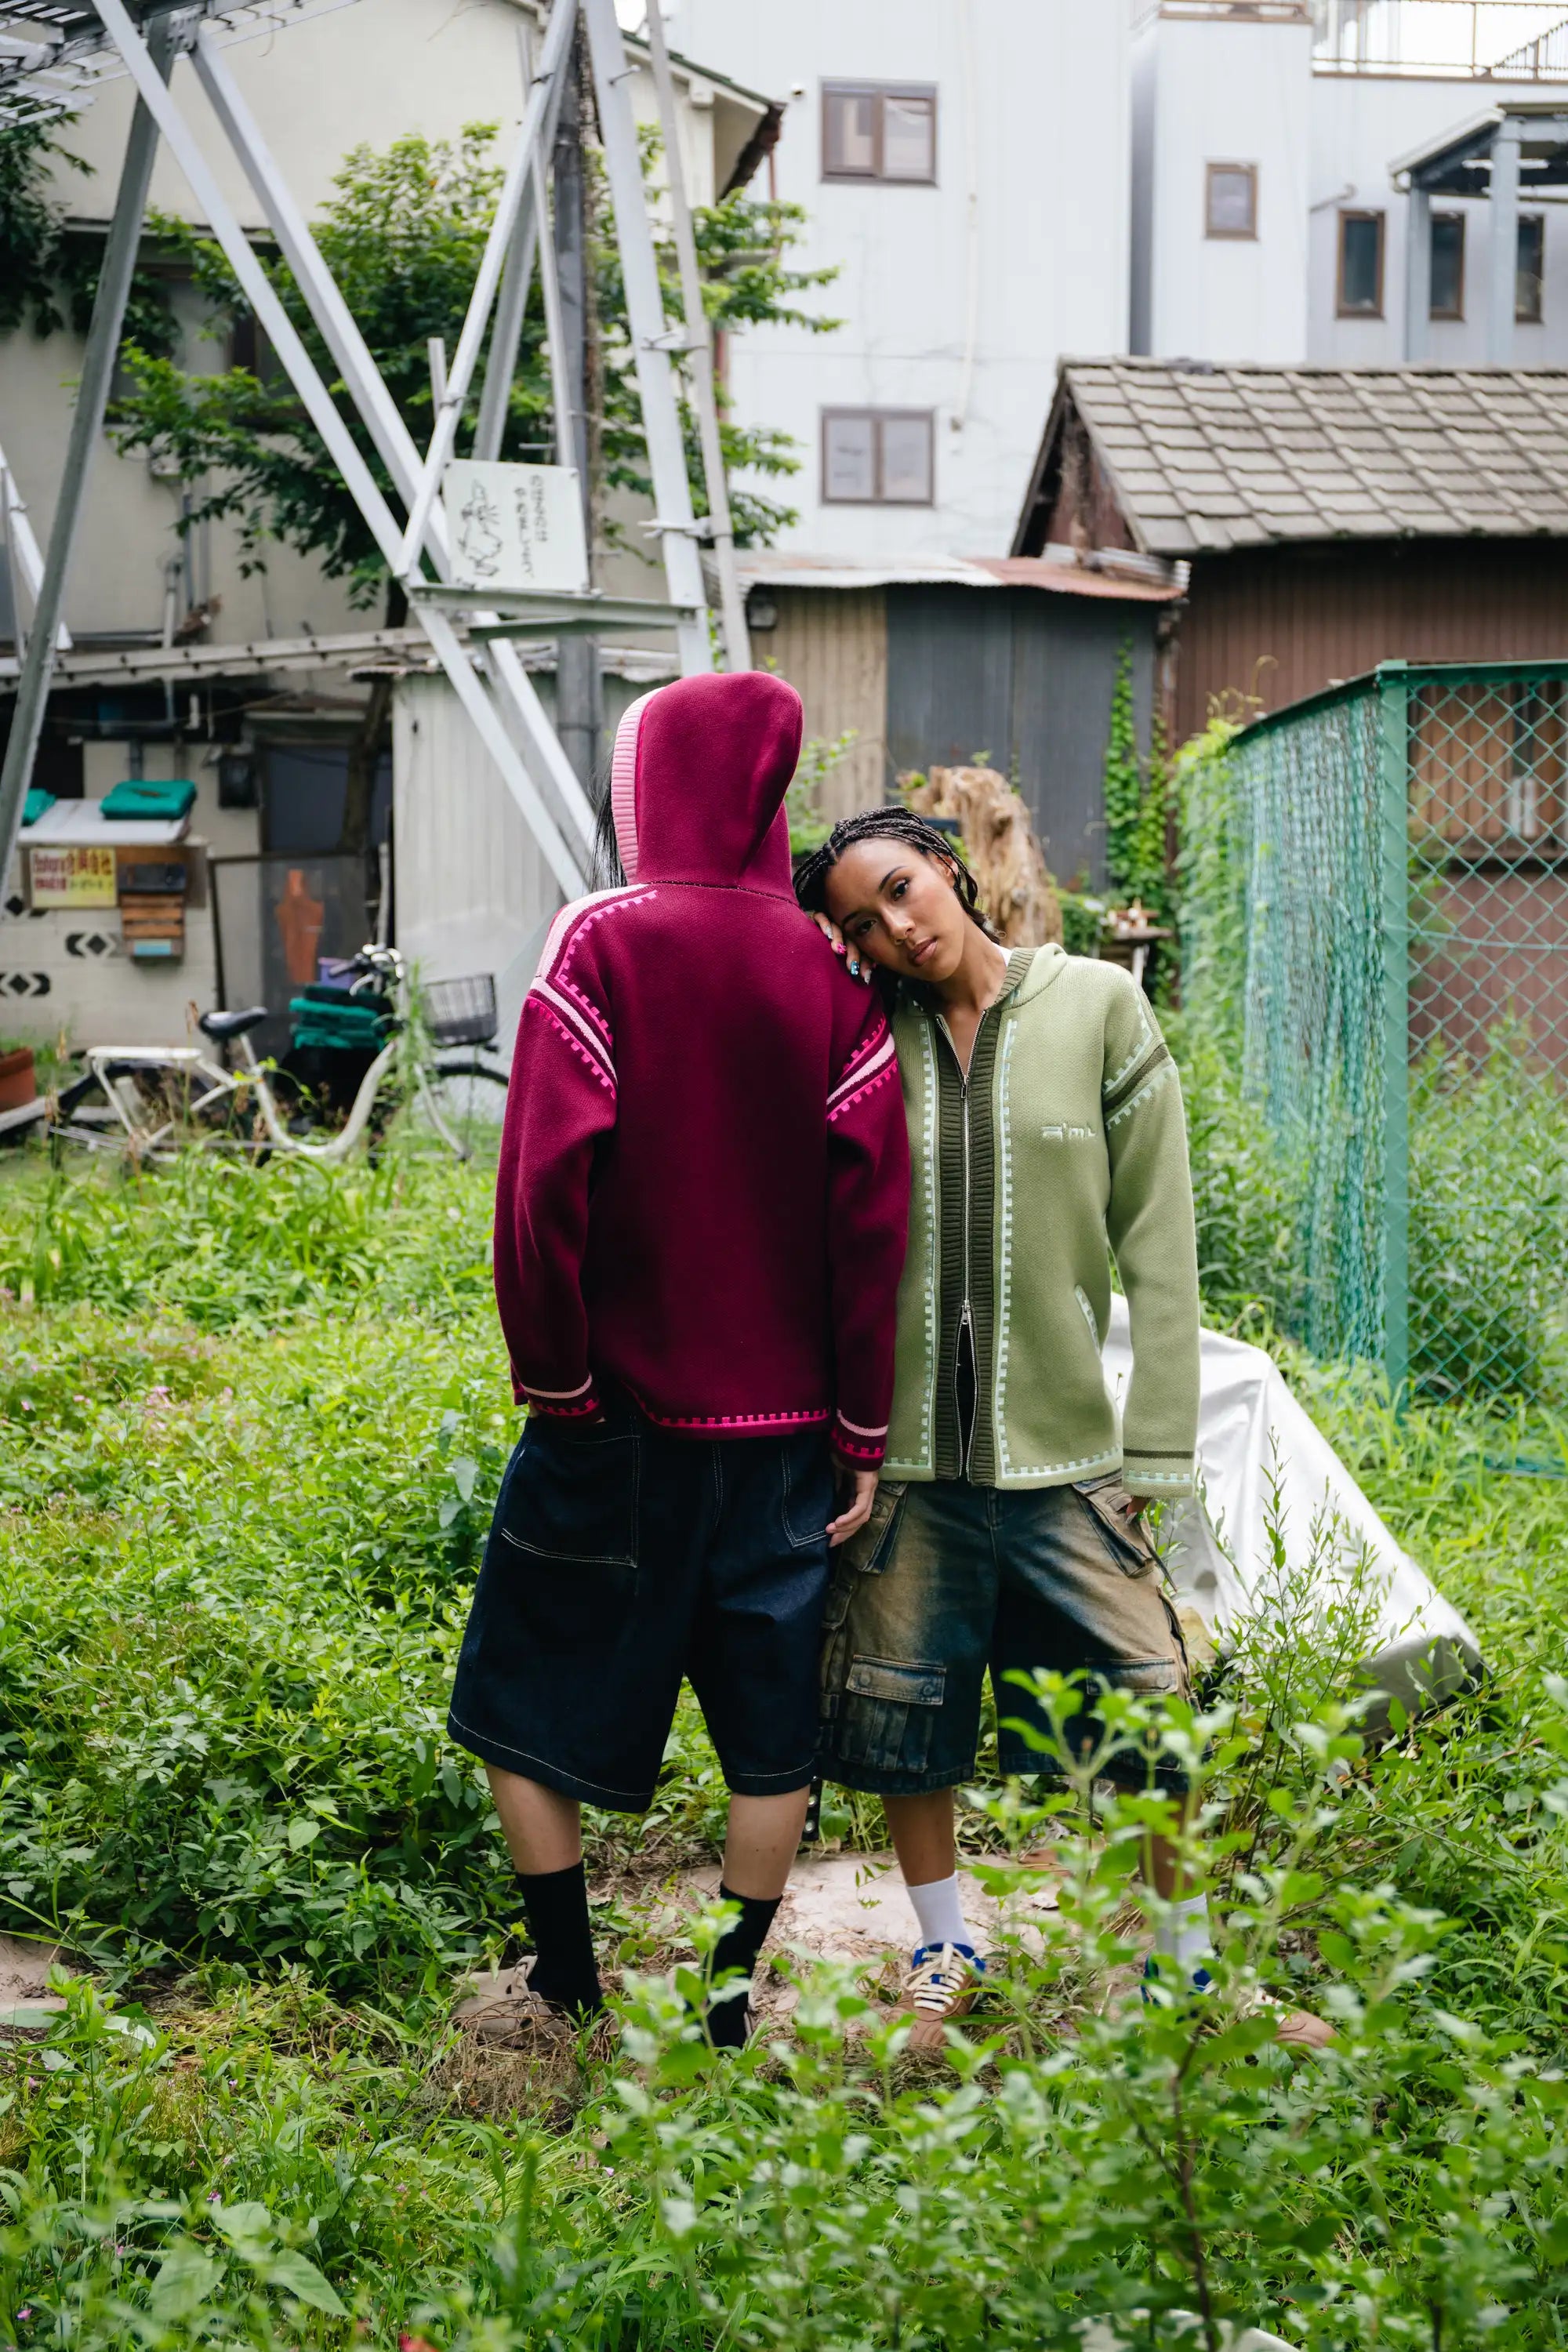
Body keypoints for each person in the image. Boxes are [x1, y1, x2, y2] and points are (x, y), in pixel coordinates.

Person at [794, 808, 1331, 2053]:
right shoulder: (868, 1037)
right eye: (863, 926)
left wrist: (1156, 1451)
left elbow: (1160, 1246)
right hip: (912, 1457)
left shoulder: (1095, 1006)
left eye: (904, 889)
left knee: (1153, 1711)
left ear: (950, 866)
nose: (898, 928)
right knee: (904, 1709)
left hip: (1069, 1457)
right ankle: (944, 1944)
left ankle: (1186, 1970)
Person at [448, 674, 909, 2045]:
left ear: (653, 784)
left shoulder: (601, 941)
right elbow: (874, 1227)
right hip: (785, 1444)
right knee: (771, 1738)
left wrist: (559, 1381)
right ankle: (724, 1996)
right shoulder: (831, 980)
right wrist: (860, 1432)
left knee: (511, 1699)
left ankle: (571, 1982)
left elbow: (540, 1193)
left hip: (619, 1425)